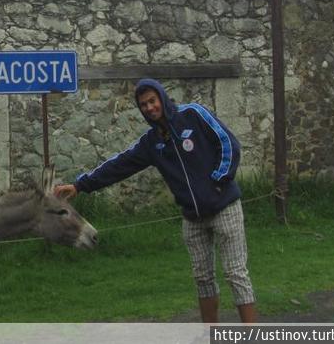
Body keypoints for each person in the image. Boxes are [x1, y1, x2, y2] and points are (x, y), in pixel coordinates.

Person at [54, 78, 258, 323]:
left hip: (225, 207)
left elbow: (228, 143)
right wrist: (80, 185)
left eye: (152, 101)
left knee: (236, 274)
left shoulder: (194, 114)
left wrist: (219, 180)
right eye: (143, 105)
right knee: (203, 279)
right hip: (192, 218)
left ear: (162, 97)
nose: (149, 107)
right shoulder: (151, 143)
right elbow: (120, 165)